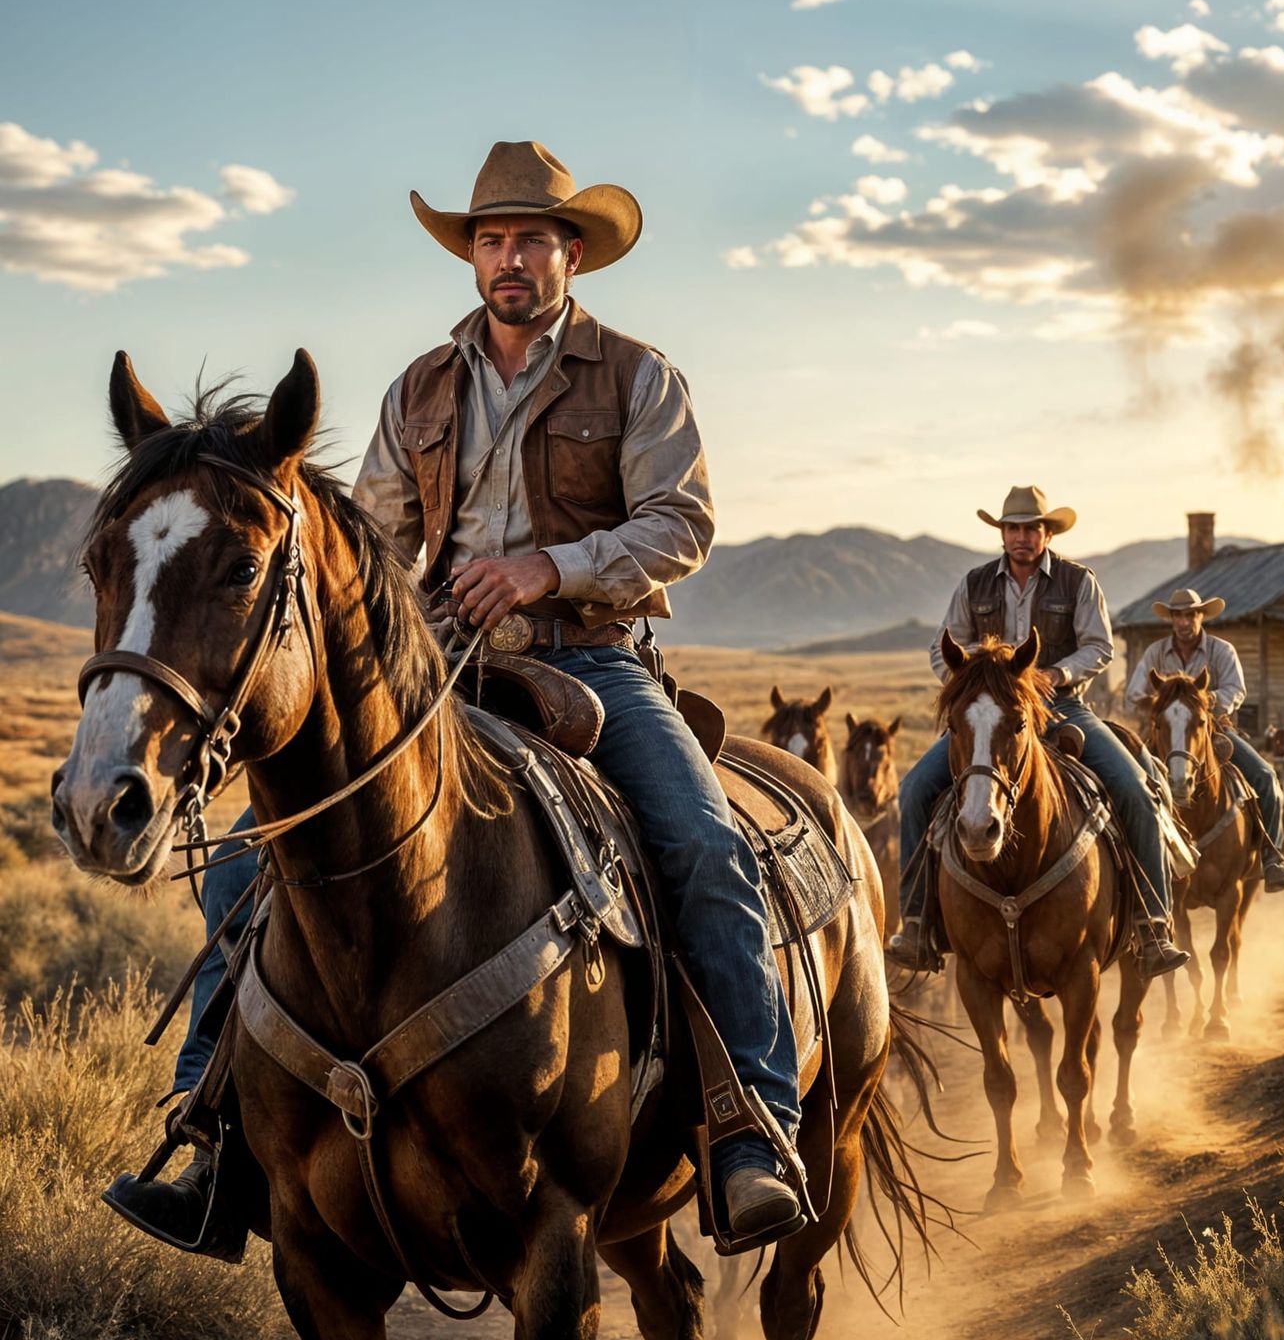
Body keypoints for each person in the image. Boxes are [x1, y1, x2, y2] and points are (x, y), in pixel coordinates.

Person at [109, 140, 804, 1245]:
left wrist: (548, 568)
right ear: (471, 258)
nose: (510, 259)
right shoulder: (418, 390)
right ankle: (216, 1141)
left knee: (704, 843)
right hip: (434, 673)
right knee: (249, 858)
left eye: (532, 239)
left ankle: (749, 1124)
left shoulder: (636, 374)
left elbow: (684, 522)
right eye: (491, 240)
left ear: (574, 254)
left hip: (587, 659)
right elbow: (378, 540)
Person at [886, 485, 1191, 977]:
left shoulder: (1078, 582)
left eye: (1031, 528)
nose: (1021, 537)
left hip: (1062, 707)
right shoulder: (974, 584)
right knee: (916, 788)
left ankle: (1153, 924)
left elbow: (1100, 647)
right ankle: (917, 925)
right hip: (990, 714)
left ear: (1048, 532)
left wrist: (1055, 674)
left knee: (1134, 788)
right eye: (1013, 528)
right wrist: (971, 689)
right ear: (1002, 534)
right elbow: (940, 649)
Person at [1124, 587, 1284, 892]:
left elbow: (1236, 690)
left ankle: (1272, 856)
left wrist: (1201, 701)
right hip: (1163, 731)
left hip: (1213, 729)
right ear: (1172, 619)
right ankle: (1125, 860)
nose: (1184, 621)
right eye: (1178, 615)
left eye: (1190, 614)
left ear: (1201, 616)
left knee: (1265, 777)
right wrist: (1164, 703)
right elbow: (1134, 693)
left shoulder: (1222, 651)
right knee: (1126, 782)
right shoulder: (1155, 653)